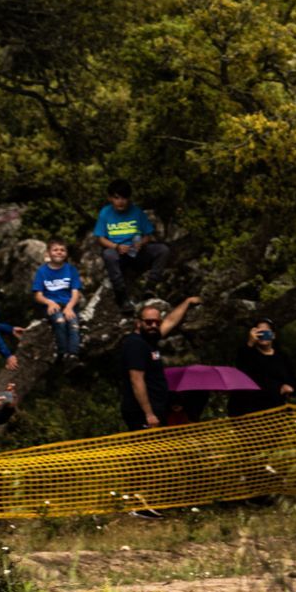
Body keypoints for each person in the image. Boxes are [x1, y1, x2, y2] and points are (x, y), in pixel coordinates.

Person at [118, 296, 201, 430]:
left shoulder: (149, 339)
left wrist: (187, 302)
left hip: (156, 408)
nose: (154, 326)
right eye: (149, 322)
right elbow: (136, 380)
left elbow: (170, 321)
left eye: (157, 322)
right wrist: (149, 414)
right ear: (138, 323)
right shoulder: (135, 344)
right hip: (142, 413)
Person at [92, 180, 171, 310]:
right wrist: (116, 247)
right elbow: (100, 239)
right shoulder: (105, 213)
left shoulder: (137, 212)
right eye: (117, 198)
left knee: (162, 250)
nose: (120, 201)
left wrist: (141, 243)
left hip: (137, 252)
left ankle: (150, 287)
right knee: (108, 254)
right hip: (118, 252)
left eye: (124, 198)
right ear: (110, 198)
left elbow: (148, 235)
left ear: (129, 198)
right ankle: (121, 295)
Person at [233, 317, 296, 418]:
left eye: (266, 332)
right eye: (260, 332)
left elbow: (292, 379)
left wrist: (289, 387)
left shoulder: (282, 356)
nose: (263, 335)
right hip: (252, 410)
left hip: (277, 409)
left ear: (273, 335)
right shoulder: (247, 353)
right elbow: (241, 370)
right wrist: (250, 342)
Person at [30, 238, 84, 358]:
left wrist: (70, 307)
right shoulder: (42, 271)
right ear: (48, 253)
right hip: (52, 304)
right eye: (55, 250)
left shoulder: (71, 270)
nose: (59, 252)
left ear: (66, 254)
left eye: (62, 250)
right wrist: (49, 303)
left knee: (74, 324)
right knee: (60, 321)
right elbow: (38, 295)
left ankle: (73, 354)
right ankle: (62, 352)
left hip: (69, 304)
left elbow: (76, 293)